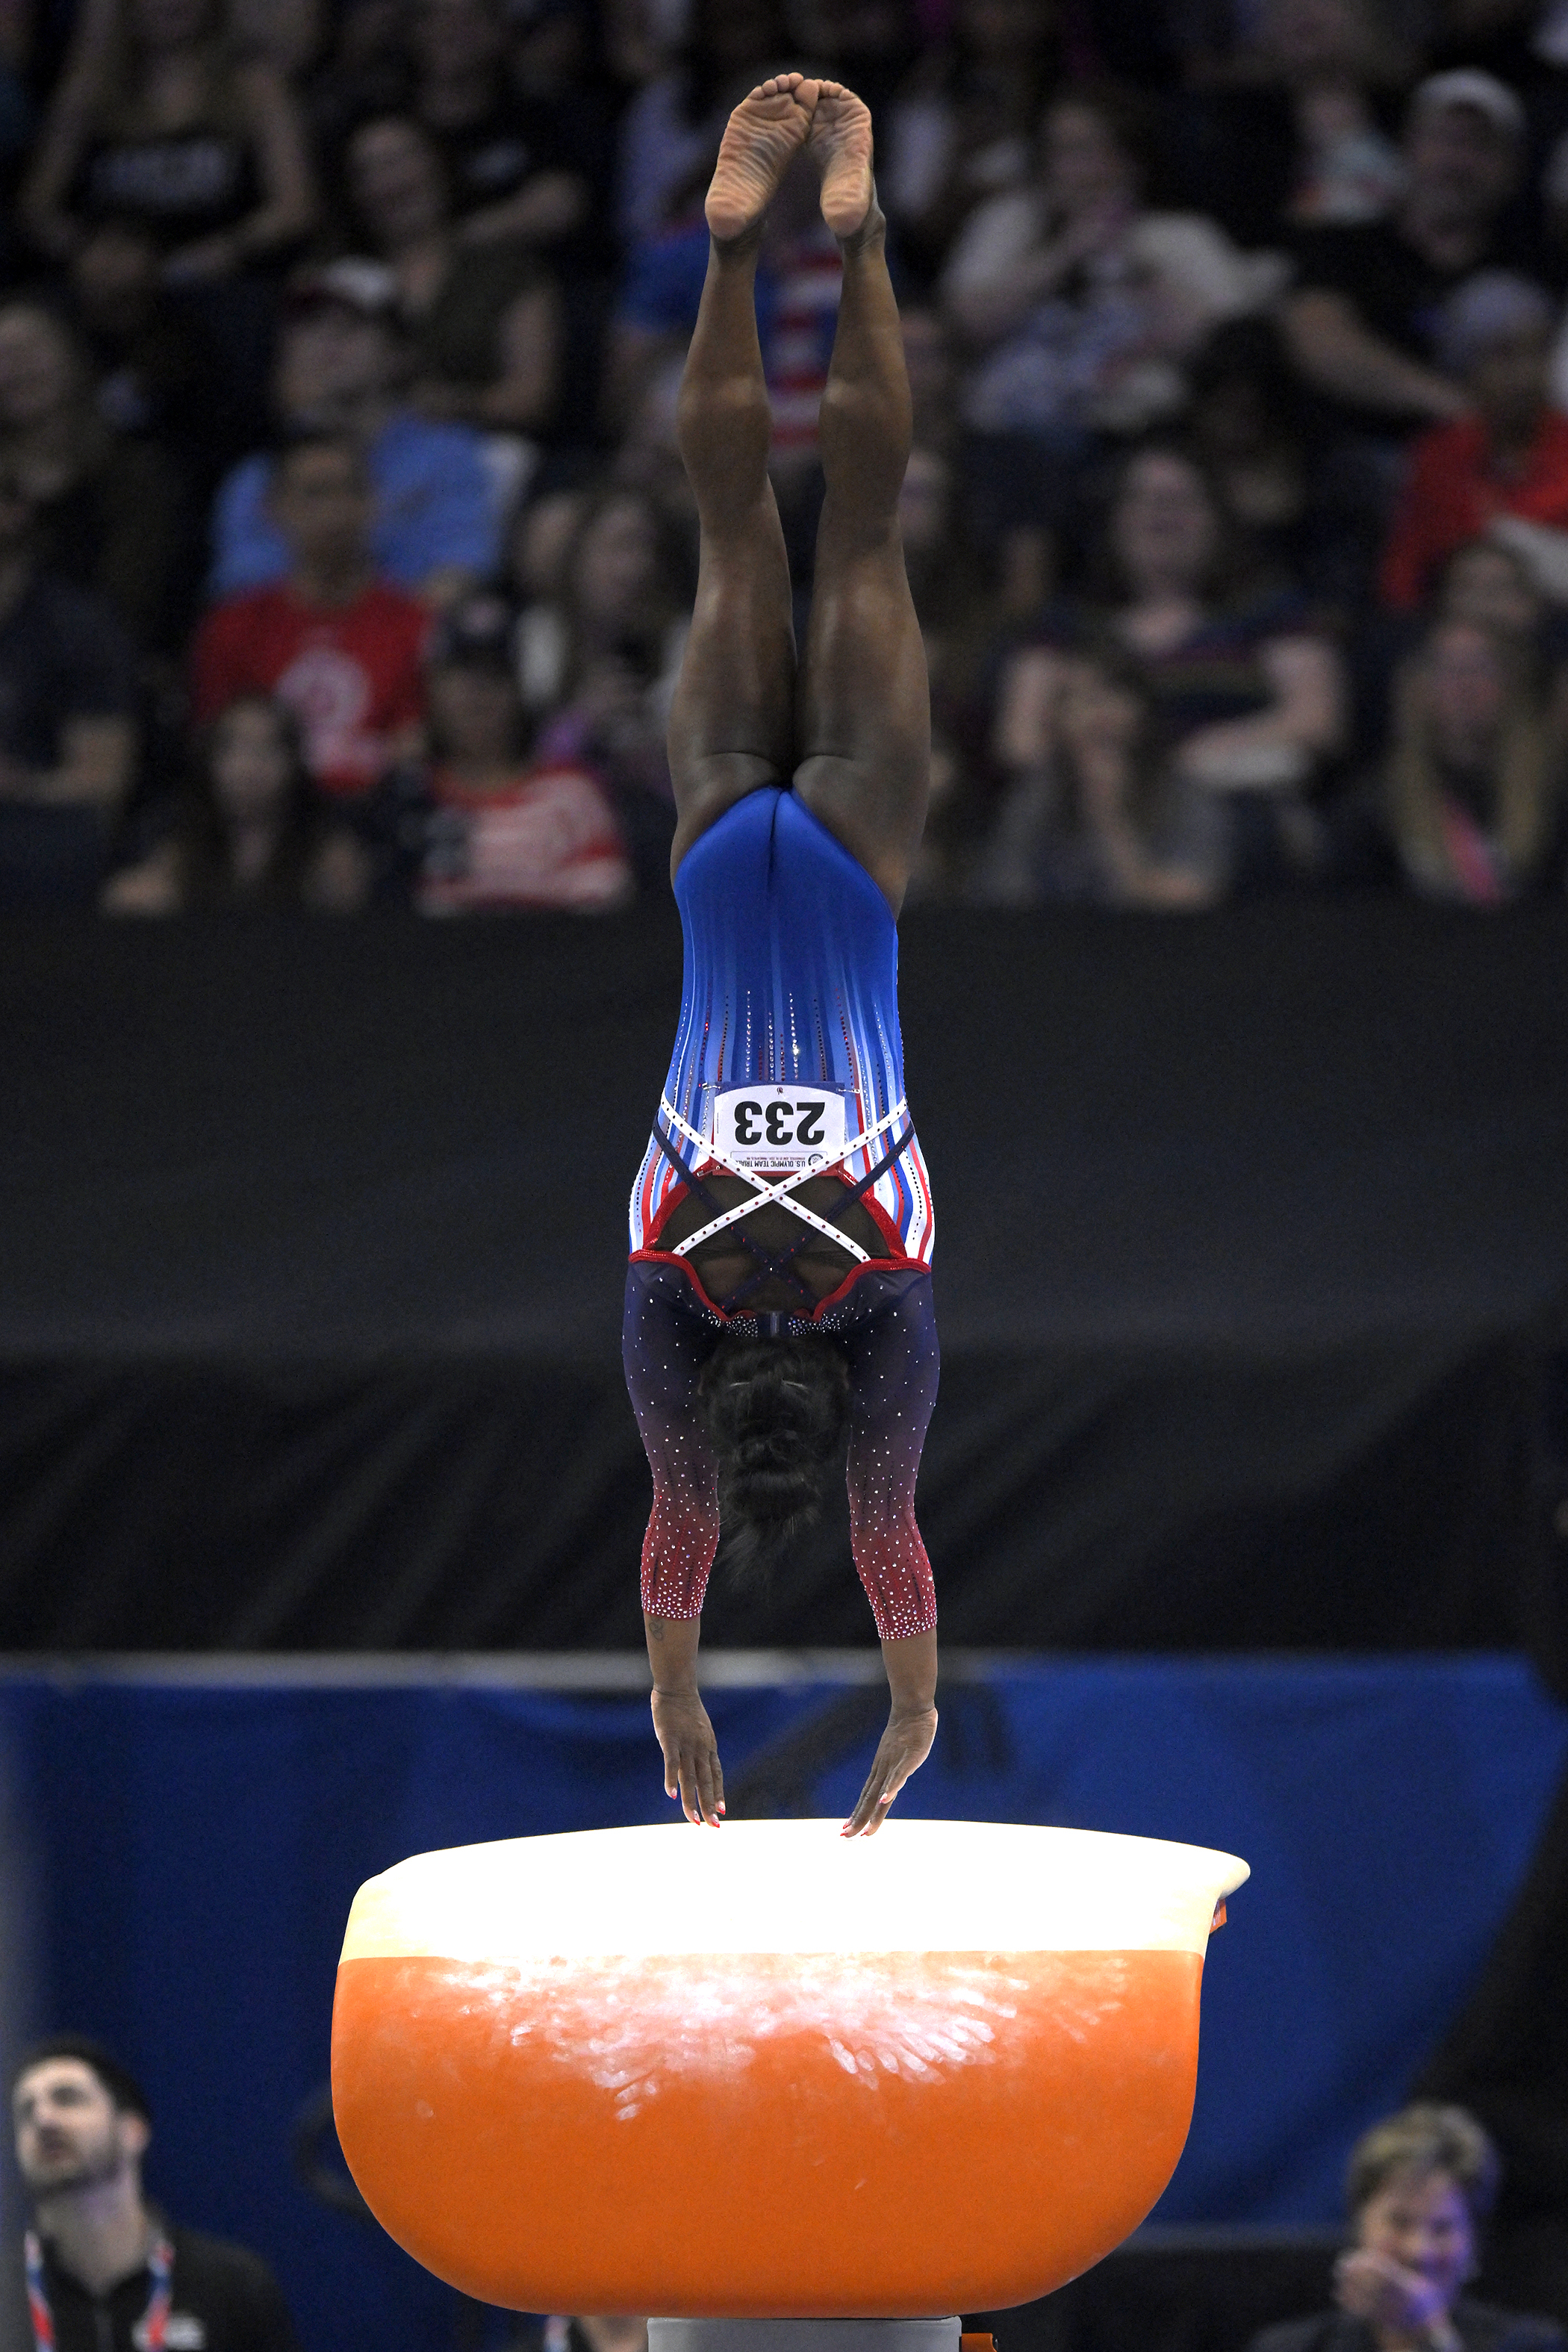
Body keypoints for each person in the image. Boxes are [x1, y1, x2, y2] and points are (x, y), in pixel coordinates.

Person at [623, 74, 939, 1840]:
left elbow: (893, 1539)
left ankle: (857, 236)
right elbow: (671, 1533)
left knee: (863, 531)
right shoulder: (665, 1294)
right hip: (714, 868)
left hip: (845, 876)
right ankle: (735, 258)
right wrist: (673, 1702)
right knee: (736, 530)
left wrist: (912, 1710)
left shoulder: (886, 1296)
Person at [993, 443, 1344, 889]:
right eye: (1143, 500)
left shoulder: (1267, 612)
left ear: (1216, 517)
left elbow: (1317, 721)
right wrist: (1102, 775)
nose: (1162, 514)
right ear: (1115, 519)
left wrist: (1187, 764)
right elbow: (1020, 740)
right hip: (1088, 803)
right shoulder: (1068, 623)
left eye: (1181, 500)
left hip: (1232, 799)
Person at [208, 262, 500, 607]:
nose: (328, 341)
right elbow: (241, 593)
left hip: (406, 647)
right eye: (311, 326)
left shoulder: (448, 456)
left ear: (398, 353)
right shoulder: (257, 477)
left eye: (351, 325)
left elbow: (458, 571)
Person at [10, 2035, 301, 2352]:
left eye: (67, 2099)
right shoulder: (7, 2297)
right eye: (26, 2111)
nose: (43, 2119)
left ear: (133, 2132)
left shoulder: (232, 2286)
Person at [191, 430, 428, 806]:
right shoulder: (235, 627)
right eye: (315, 493)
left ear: (372, 502)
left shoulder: (417, 626)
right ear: (274, 508)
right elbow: (216, 747)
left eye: (349, 491)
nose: (334, 512)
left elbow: (417, 749)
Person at [1248, 2105, 1565, 2352]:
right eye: (1400, 2222)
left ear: (1473, 2240)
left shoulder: (1534, 2346)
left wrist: (1431, 2336)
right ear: (1360, 2223)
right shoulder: (1290, 2348)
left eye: (1442, 2228)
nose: (1419, 2251)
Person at [406, 591, 632, 912]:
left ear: (522, 692)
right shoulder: (404, 799)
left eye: (496, 675)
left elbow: (605, 916)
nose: (478, 694)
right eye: (463, 674)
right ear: (432, 688)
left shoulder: (572, 796)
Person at [340, 114, 562, 441]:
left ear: (439, 166)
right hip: (350, 456)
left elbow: (531, 399)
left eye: (401, 160)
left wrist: (450, 404)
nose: (390, 182)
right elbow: (297, 391)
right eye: (369, 170)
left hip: (483, 456)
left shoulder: (508, 272)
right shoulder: (336, 278)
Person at [973, 643, 1230, 906]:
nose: (1099, 714)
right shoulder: (1040, 790)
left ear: (1142, 710)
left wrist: (1109, 819)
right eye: (1078, 700)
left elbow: (1184, 902)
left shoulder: (1182, 790)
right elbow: (1003, 893)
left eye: (1113, 695)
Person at [0, 299, 188, 655]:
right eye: (4, 355)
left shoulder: (136, 472)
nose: (18, 367)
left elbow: (138, 593)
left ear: (71, 356)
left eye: (32, 349)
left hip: (105, 661)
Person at [1381, 276, 1568, 613]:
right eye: (1504, 356)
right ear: (1468, 367)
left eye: (1539, 353)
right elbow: (1405, 575)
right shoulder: (1438, 454)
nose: (1526, 376)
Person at [0, 465, 137, 912]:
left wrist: (20, 786)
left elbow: (103, 781)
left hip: (31, 830)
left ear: (16, 512)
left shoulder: (78, 629)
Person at [102, 693, 367, 911]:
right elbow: (124, 899)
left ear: (295, 764)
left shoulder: (326, 852)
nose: (249, 767)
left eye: (268, 749)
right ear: (210, 761)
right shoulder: (179, 847)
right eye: (233, 748)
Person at [1377, 615, 1568, 902]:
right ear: (1419, 687)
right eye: (1448, 669)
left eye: (1482, 668)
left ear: (1513, 684)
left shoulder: (1553, 795)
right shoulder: (1381, 802)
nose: (1464, 685)